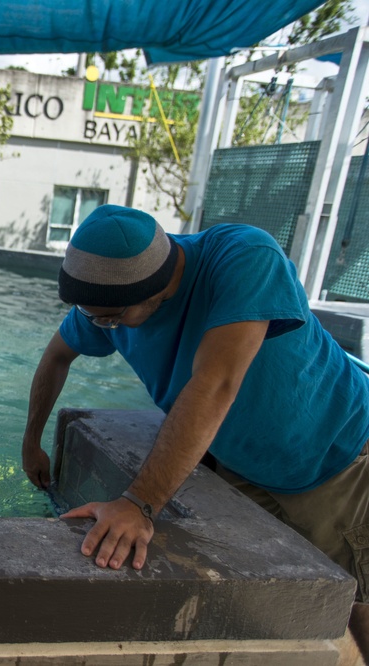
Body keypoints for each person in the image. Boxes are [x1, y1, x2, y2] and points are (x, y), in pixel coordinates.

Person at [21, 204, 369, 650]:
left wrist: (139, 504)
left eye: (110, 317)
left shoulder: (244, 257)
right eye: (92, 316)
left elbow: (216, 381)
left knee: (356, 603)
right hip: (241, 466)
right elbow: (56, 357)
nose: (102, 327)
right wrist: (32, 442)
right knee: (273, 611)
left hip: (333, 463)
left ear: (156, 289)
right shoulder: (111, 296)